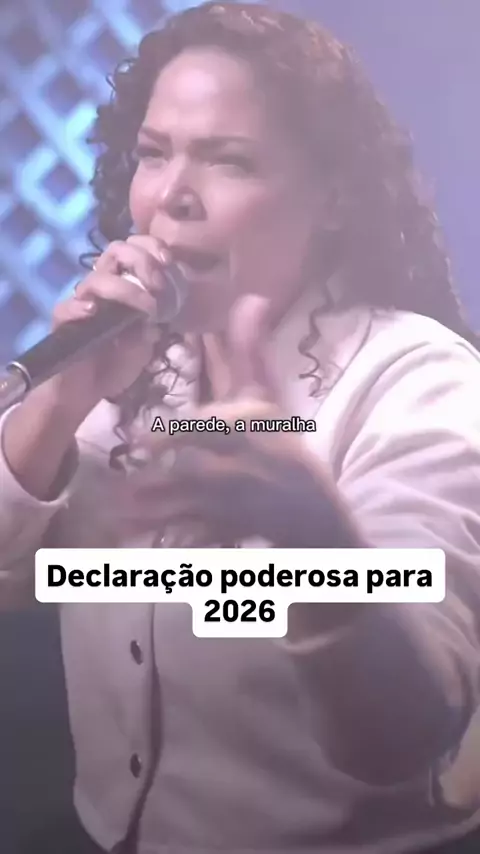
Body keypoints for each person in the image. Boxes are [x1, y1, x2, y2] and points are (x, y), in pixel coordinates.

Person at [1, 2, 480, 852]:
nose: (170, 196)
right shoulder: (125, 364)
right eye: (154, 154)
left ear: (334, 198)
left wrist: (313, 541)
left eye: (229, 160)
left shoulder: (422, 382)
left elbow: (409, 731)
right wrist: (57, 404)